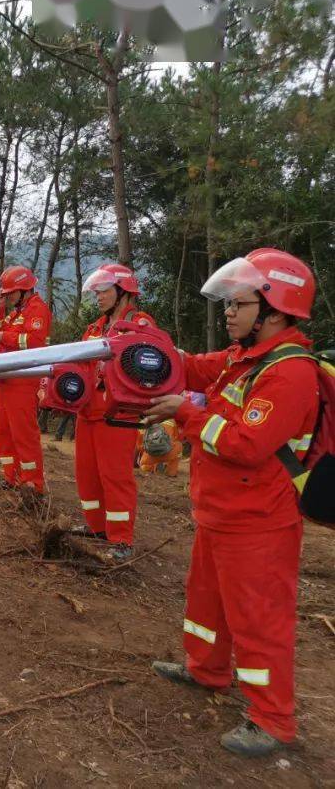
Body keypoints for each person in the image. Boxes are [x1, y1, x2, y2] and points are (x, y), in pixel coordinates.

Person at [144, 248, 320, 757]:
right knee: (208, 603)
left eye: (238, 304)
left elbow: (245, 444)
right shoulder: (244, 360)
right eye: (228, 304)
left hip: (259, 523)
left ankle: (273, 720)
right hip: (221, 512)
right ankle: (207, 670)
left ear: (276, 308)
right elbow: (194, 367)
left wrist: (187, 415)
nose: (228, 313)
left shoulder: (289, 372)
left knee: (258, 621)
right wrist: (145, 350)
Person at [70, 264, 156, 562]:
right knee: (87, 472)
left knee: (115, 476)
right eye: (97, 292)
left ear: (123, 292)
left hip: (117, 414)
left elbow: (148, 364)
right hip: (88, 410)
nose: (98, 297)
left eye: (104, 291)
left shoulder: (141, 323)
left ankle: (120, 538)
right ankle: (96, 528)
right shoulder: (95, 327)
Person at [0, 267, 51, 493]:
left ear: (24, 289)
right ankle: (11, 478)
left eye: (11, 293)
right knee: (3, 432)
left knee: (24, 434)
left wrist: (5, 336)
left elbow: (34, 342)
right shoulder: (16, 313)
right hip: (5, 380)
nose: (8, 296)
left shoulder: (37, 310)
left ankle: (33, 483)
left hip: (23, 381)